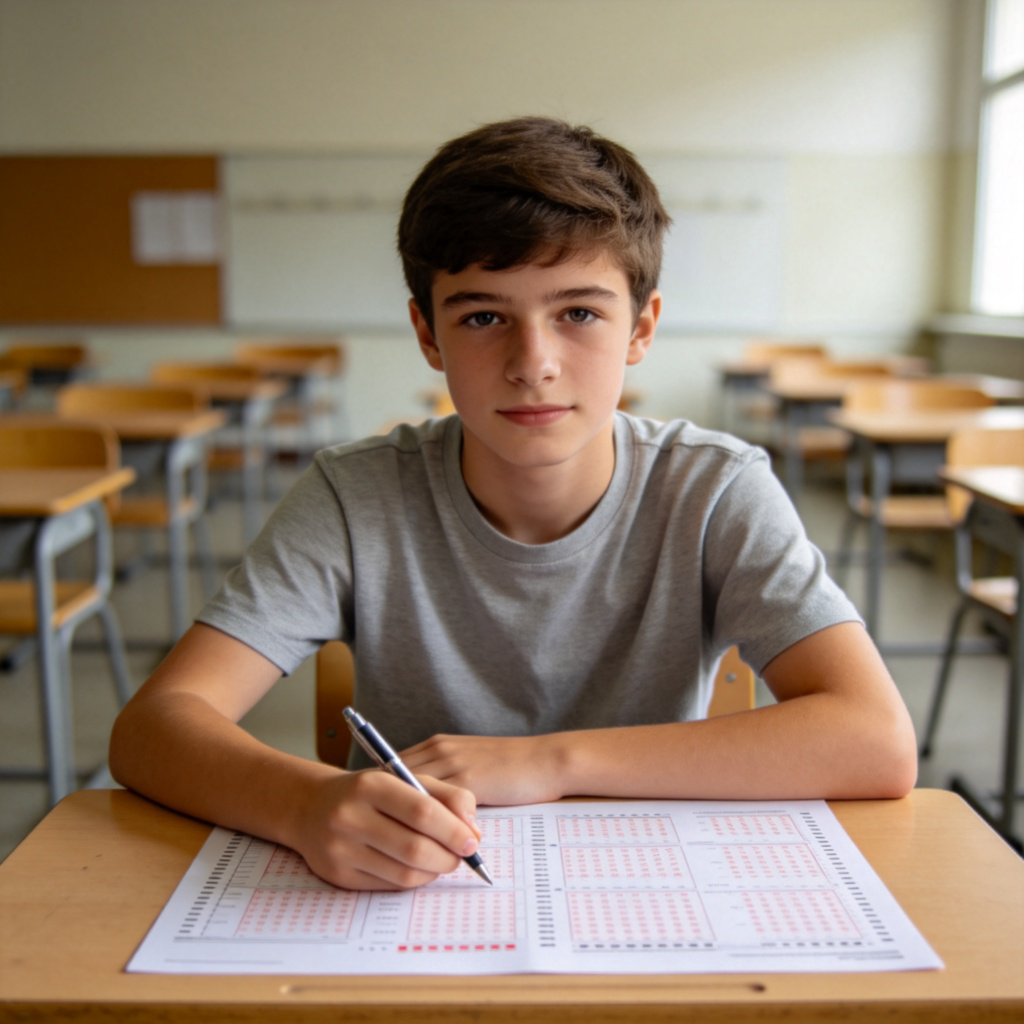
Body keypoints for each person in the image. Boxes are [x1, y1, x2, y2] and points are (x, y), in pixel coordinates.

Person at [109, 116, 917, 892]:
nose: (534, 364)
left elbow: (875, 739)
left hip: (648, 885)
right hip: (406, 895)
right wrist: (305, 801)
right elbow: (155, 726)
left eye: (579, 313)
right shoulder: (356, 496)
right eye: (485, 316)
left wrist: (547, 760)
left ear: (641, 329)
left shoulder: (713, 488)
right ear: (428, 335)